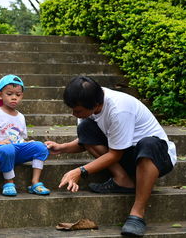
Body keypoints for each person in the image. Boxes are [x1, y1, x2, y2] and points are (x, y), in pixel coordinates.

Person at [45, 76, 177, 237]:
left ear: (95, 104)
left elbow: (115, 154)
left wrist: (80, 171)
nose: (74, 114)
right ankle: (122, 180)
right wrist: (62, 148)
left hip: (156, 157)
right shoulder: (88, 107)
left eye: (78, 110)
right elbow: (85, 140)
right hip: (127, 154)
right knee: (86, 127)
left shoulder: (119, 109)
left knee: (148, 144)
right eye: (72, 109)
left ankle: (137, 214)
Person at [0, 74, 50, 196]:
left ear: (21, 96)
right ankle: (9, 182)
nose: (14, 98)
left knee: (41, 147)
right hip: (0, 151)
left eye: (18, 95)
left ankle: (35, 182)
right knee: (8, 149)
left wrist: (26, 143)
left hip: (17, 150)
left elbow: (20, 138)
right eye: (9, 94)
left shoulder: (21, 117)